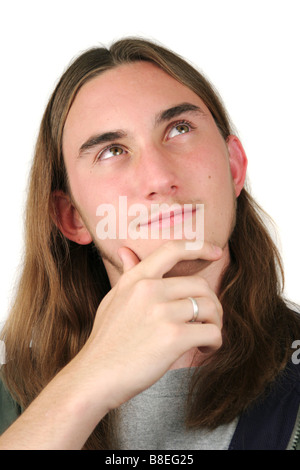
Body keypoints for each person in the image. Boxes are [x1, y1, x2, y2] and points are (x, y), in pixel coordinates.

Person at [0, 38, 299, 450]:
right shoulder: (7, 394)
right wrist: (86, 383)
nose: (158, 178)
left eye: (179, 129)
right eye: (112, 151)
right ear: (71, 217)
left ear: (233, 167)